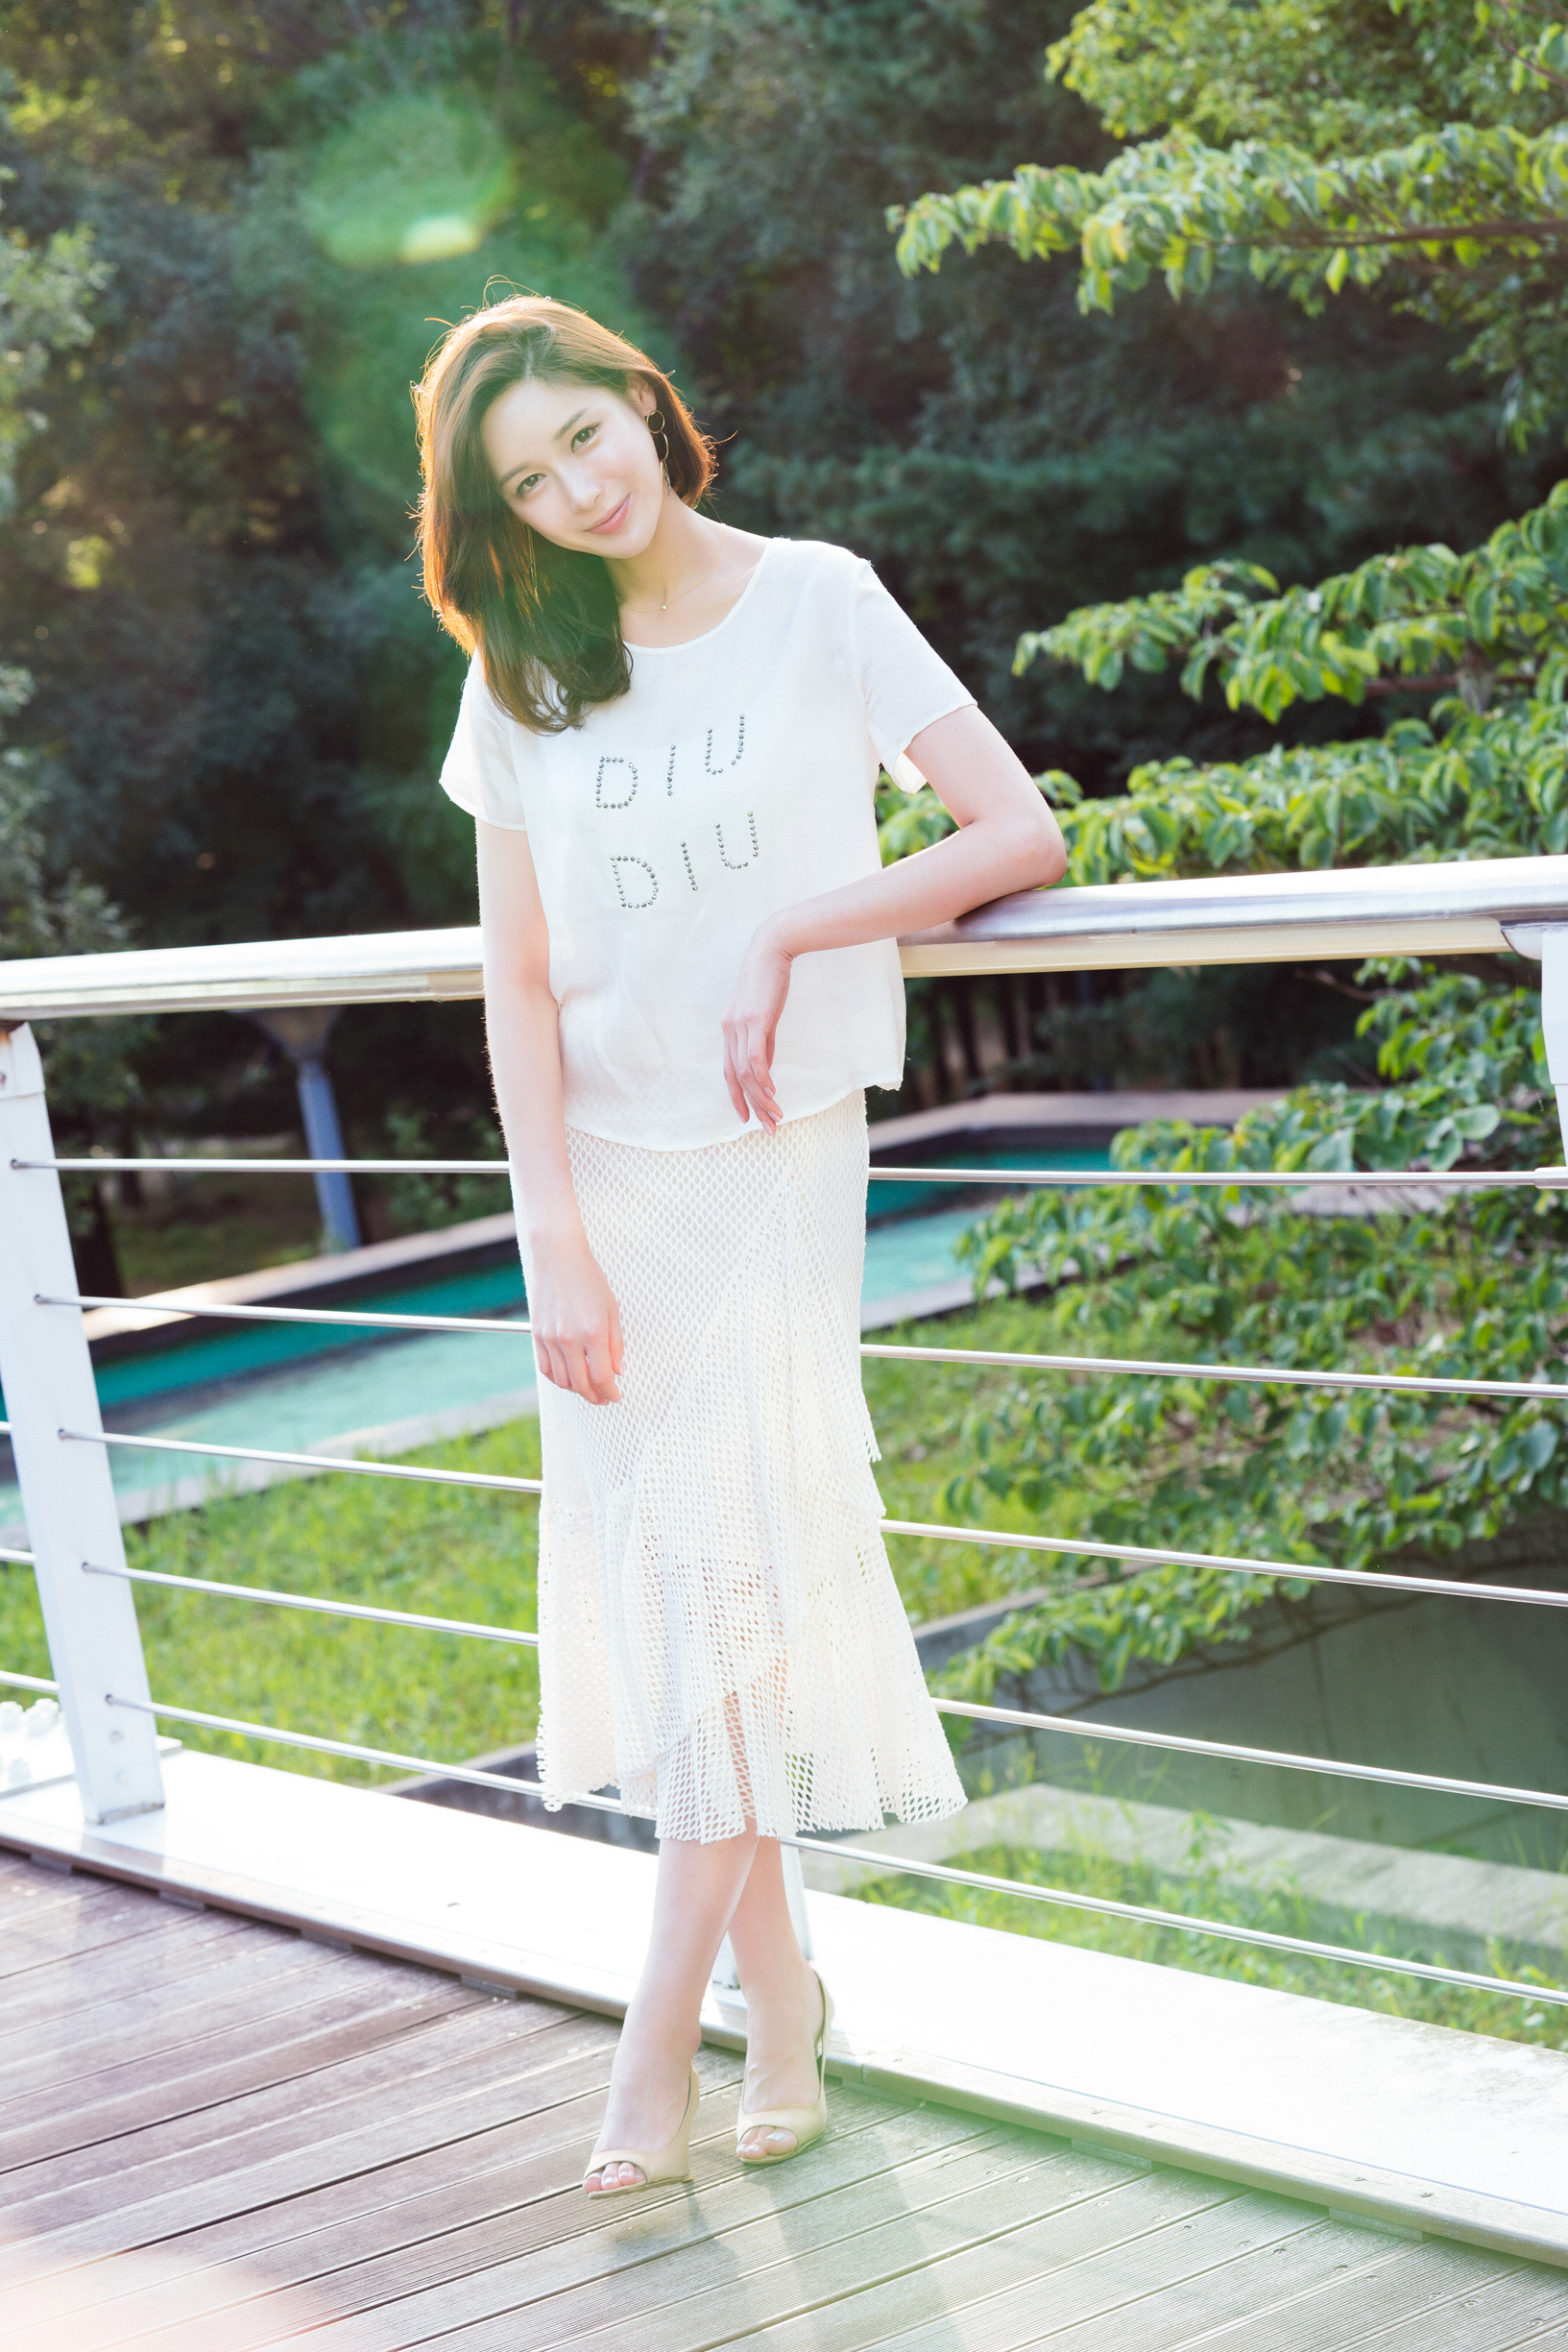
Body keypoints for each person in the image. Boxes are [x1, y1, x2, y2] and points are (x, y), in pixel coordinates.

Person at [417, 294, 1065, 2194]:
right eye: (527, 484)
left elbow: (1014, 831)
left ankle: (655, 2045)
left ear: (641, 399)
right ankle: (781, 2004)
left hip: (775, 1151)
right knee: (690, 1595)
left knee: (743, 1570)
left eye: (582, 438)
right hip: (607, 1180)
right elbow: (517, 980)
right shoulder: (522, 675)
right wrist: (547, 1230)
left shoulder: (817, 601)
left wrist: (798, 927)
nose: (575, 491)